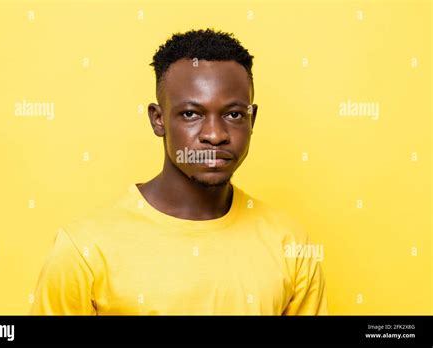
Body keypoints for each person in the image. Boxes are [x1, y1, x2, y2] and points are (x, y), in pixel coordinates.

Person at [30, 28, 328, 315]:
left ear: (252, 119)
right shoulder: (83, 249)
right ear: (158, 119)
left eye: (233, 114)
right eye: (191, 114)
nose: (215, 134)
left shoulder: (291, 245)